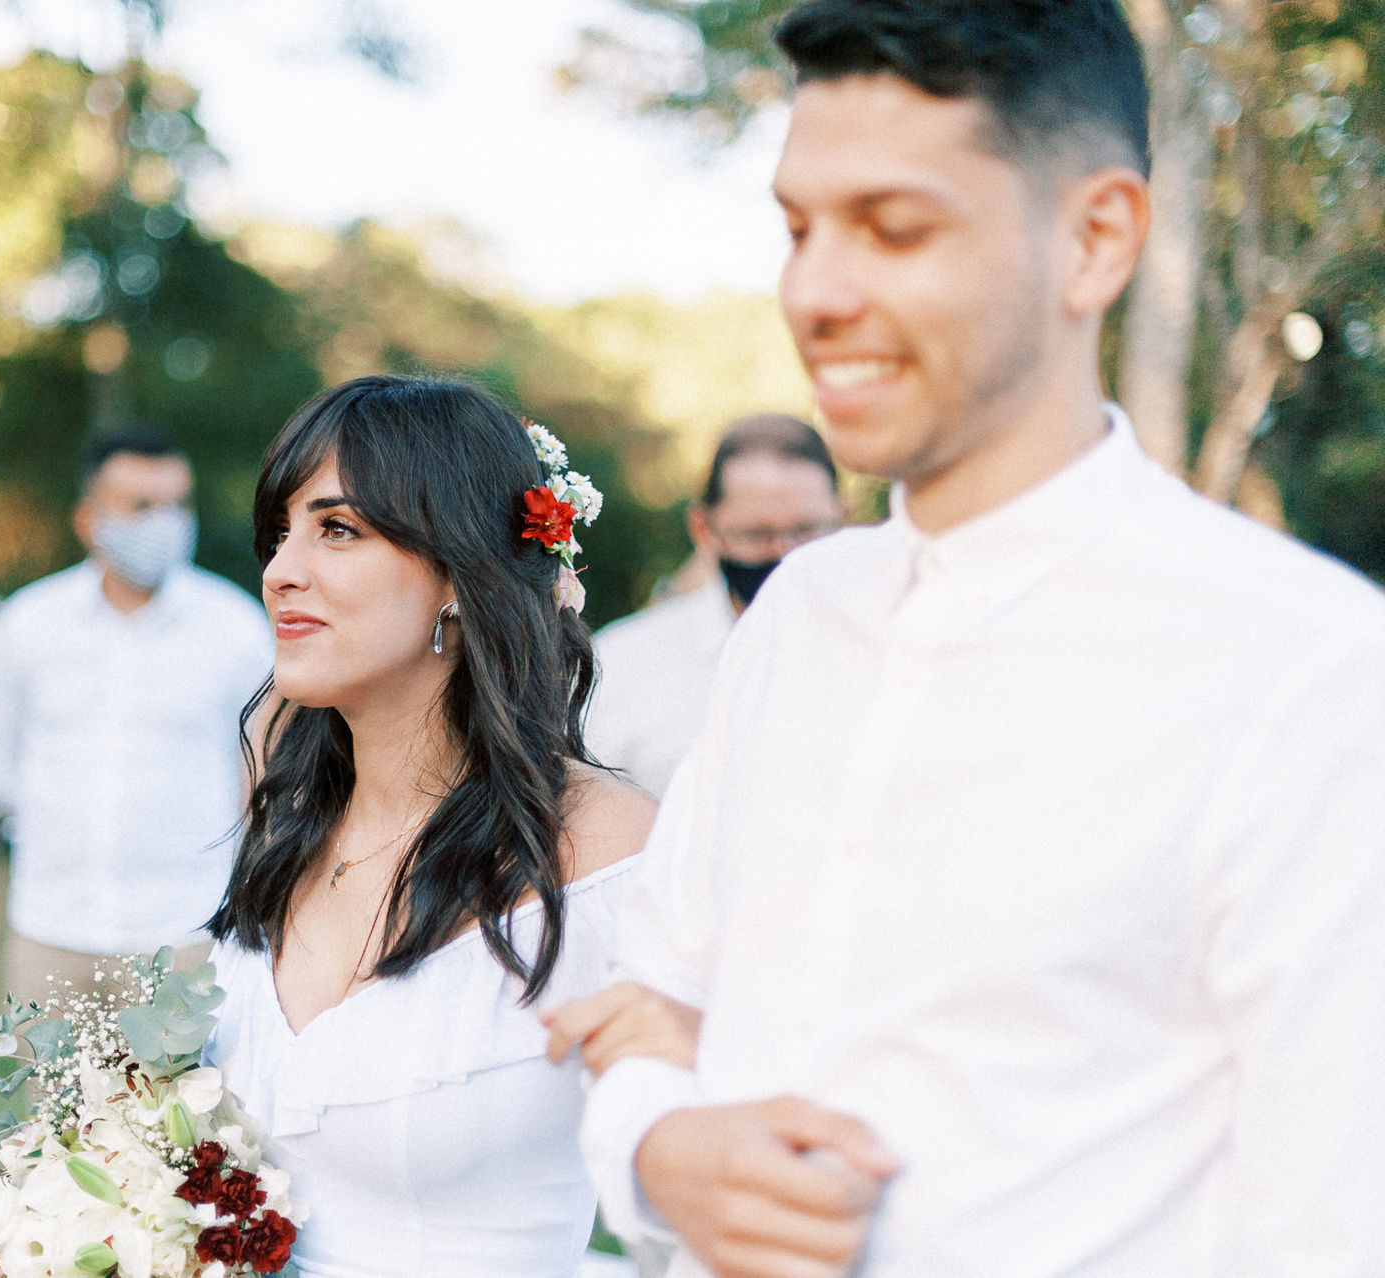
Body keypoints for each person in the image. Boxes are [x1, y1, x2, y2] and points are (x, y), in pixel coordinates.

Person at [546, 2, 1385, 1275]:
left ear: (1095, 240)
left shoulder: (1307, 671)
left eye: (895, 228)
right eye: (798, 229)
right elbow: (648, 1008)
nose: (814, 294)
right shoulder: (798, 618)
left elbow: (1333, 1222)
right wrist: (661, 1148)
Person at [202, 374, 655, 1276]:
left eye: (337, 529)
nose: (280, 570)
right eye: (281, 531)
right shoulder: (287, 823)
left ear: (457, 572)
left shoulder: (607, 852)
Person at [0, 429, 272, 1005]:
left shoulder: (237, 628)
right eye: (141, 505)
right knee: (42, 1069)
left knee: (186, 1071)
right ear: (89, 520)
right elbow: (0, 761)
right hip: (50, 927)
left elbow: (260, 769)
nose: (165, 522)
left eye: (177, 504)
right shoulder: (29, 621)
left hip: (188, 931)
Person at [587, 416, 841, 796]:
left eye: (807, 530)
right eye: (757, 535)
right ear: (704, 529)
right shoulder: (621, 665)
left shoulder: (894, 644)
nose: (786, 554)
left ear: (843, 515)